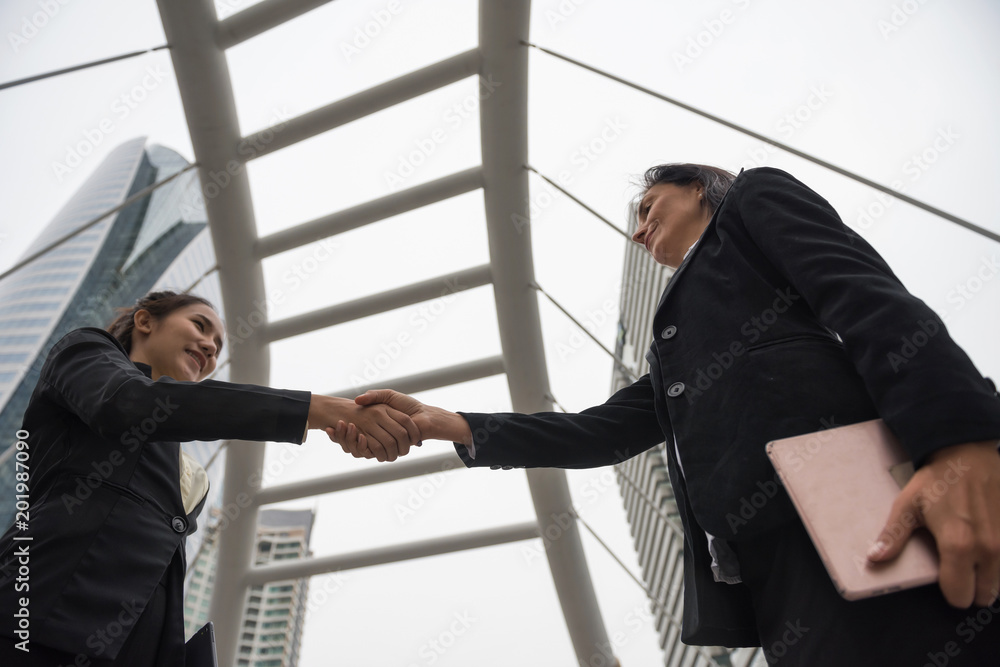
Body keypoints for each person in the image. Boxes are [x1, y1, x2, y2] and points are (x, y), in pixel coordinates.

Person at [338, 165, 1000, 664]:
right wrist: (444, 422)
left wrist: (961, 444)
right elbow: (598, 430)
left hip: (862, 509)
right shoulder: (679, 347)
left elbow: (866, 298)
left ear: (697, 186)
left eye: (649, 204)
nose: (639, 226)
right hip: (773, 571)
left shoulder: (753, 200)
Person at [0, 290, 419, 666]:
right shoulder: (86, 352)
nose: (209, 346)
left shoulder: (188, 472)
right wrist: (322, 409)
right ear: (145, 321)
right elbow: (128, 405)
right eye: (200, 326)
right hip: (36, 617)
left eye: (217, 346)